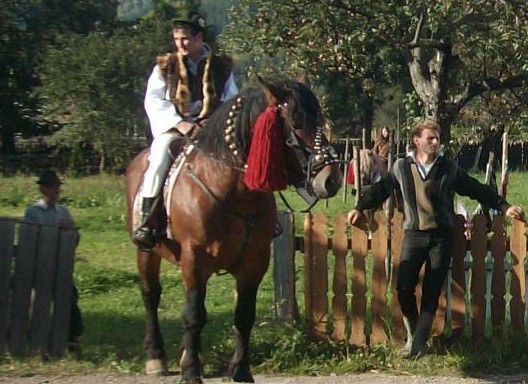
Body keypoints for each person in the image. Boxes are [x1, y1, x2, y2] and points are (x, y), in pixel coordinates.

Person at [347, 120, 525, 359]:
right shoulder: (401, 167)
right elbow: (381, 190)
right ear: (416, 140)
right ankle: (413, 333)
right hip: (414, 235)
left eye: (437, 138)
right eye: (429, 138)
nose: (435, 142)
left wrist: (504, 206)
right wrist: (359, 207)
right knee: (404, 288)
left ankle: (418, 344)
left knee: (432, 291)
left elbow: (475, 189)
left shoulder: (448, 168)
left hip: (441, 238)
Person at [134, 10, 239, 250]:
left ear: (199, 38)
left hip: (211, 129)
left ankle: (258, 215)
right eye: (177, 39)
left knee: (241, 155)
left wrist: (212, 124)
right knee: (159, 156)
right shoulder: (165, 66)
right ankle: (148, 221)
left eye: (185, 39)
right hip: (175, 128)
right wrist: (178, 122)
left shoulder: (221, 66)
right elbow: (154, 100)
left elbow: (231, 100)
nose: (180, 44)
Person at [24, 169, 84, 350]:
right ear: (43, 189)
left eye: (57, 187)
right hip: (42, 263)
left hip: (62, 263)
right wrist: (53, 229)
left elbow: (74, 238)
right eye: (52, 187)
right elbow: (30, 236)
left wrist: (72, 230)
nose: (56, 191)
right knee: (41, 303)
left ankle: (72, 337)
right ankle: (38, 340)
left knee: (70, 299)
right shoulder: (33, 212)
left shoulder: (63, 211)